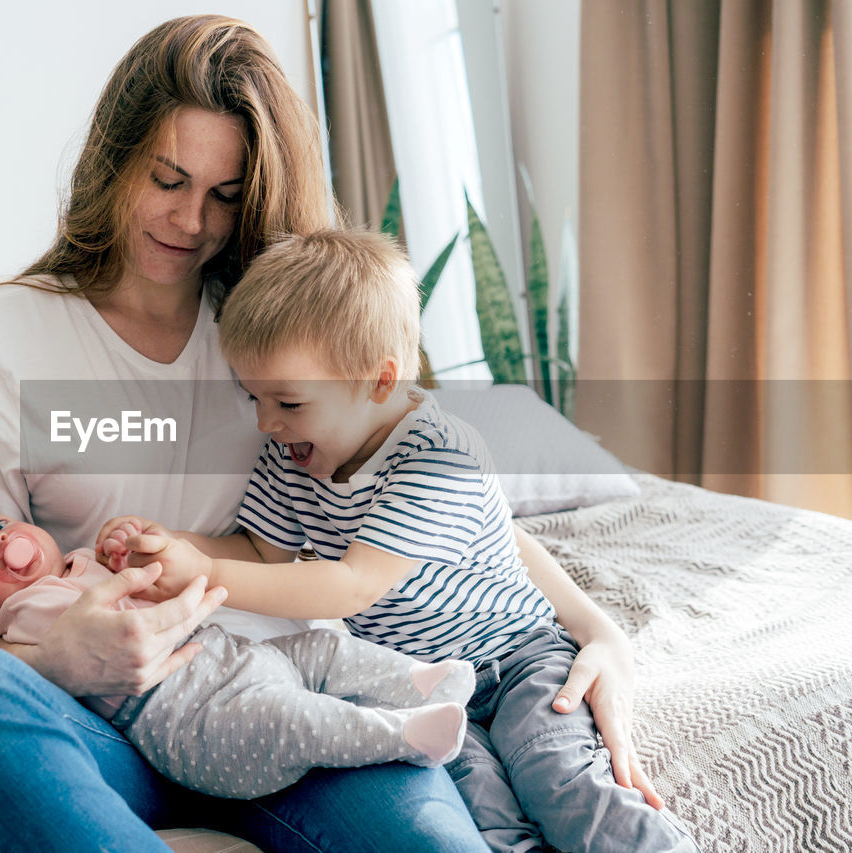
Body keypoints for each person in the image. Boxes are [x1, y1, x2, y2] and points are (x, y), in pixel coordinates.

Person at [0, 14, 640, 853]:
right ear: (113, 161)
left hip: (299, 707)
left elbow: (437, 487)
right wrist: (65, 660)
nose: (189, 221)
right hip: (105, 714)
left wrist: (597, 629)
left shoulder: (277, 328)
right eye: (166, 179)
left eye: (224, 195)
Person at [99, 228, 700, 852]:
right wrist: (168, 543)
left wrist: (203, 569)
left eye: (289, 402)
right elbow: (261, 550)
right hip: (424, 679)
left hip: (516, 658)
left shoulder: (439, 454)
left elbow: (351, 586)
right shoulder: (291, 457)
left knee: (560, 776)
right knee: (488, 822)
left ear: (378, 381)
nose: (266, 422)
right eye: (254, 398)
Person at [0, 510, 477, 799]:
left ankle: (423, 680)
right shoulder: (20, 618)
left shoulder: (79, 562)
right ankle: (400, 734)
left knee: (323, 648)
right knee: (295, 720)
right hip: (195, 718)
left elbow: (153, 577)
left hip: (236, 653)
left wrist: (126, 546)